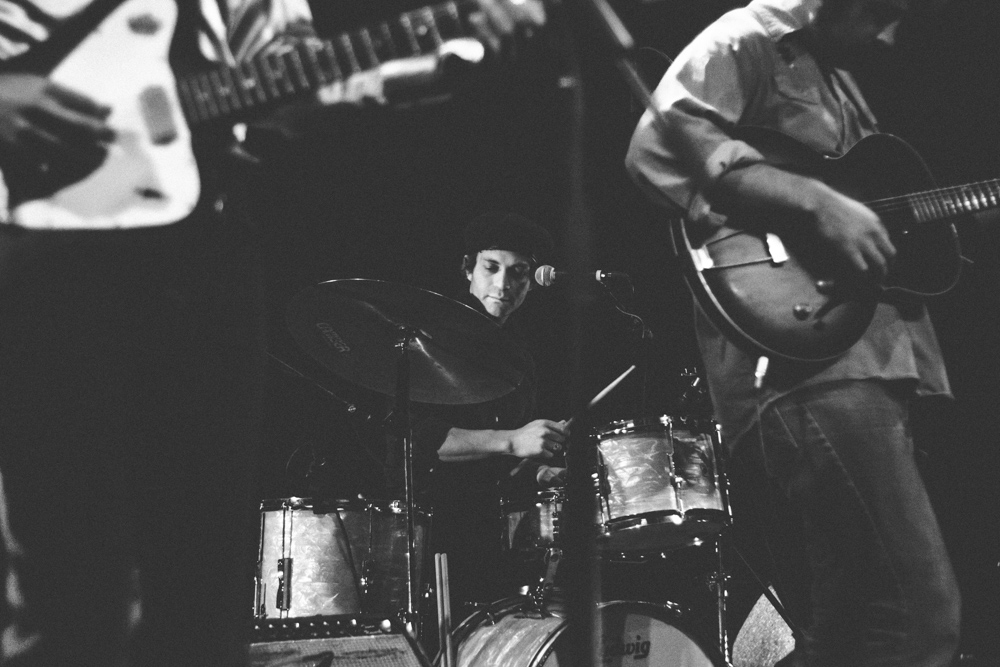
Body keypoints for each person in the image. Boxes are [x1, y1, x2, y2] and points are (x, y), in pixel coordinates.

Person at [0, 2, 545, 666]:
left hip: (204, 254)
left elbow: (288, 79)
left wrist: (417, 67)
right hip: (39, 259)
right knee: (63, 571)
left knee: (200, 579)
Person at [625, 0, 961, 665]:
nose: (890, 34)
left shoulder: (840, 78)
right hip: (814, 373)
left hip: (866, 364)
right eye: (883, 12)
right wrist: (815, 201)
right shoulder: (748, 39)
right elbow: (657, 143)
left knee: (848, 630)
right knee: (915, 616)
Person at [406, 211, 568, 620]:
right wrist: (512, 440)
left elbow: (502, 464)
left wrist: (536, 472)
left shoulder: (520, 357)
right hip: (428, 536)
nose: (503, 285)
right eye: (491, 268)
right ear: (467, 269)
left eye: (518, 273)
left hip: (489, 537)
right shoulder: (432, 341)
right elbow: (421, 440)